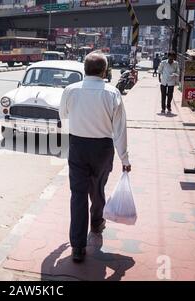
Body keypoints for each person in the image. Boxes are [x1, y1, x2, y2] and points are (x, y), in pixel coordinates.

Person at [59, 52, 131, 263]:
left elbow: (63, 115)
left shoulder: (70, 90)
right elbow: (120, 130)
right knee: (98, 189)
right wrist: (125, 159)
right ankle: (97, 223)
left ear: (84, 69)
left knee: (78, 194)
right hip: (102, 148)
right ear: (104, 71)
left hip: (78, 146)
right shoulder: (112, 93)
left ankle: (78, 247)